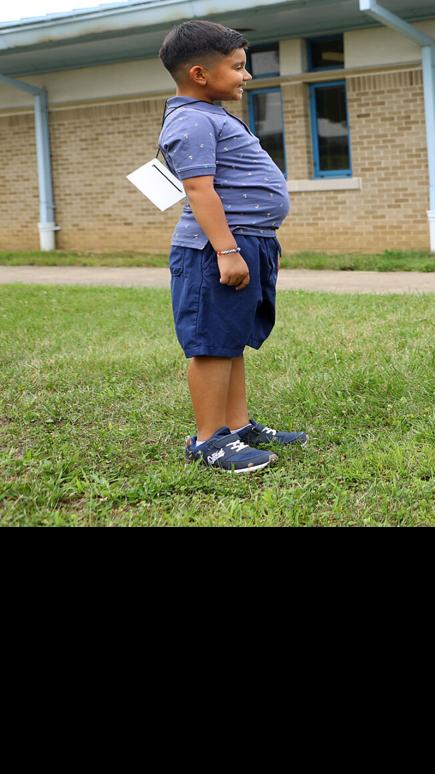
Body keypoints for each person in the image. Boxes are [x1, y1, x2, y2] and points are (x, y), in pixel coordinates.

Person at [157, 20, 306, 472]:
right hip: (214, 249)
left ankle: (237, 428)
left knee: (231, 339)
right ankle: (208, 441)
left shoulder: (214, 115)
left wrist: (256, 242)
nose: (247, 76)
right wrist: (225, 250)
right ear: (200, 74)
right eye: (238, 67)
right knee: (211, 344)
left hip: (247, 241)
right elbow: (200, 191)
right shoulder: (191, 119)